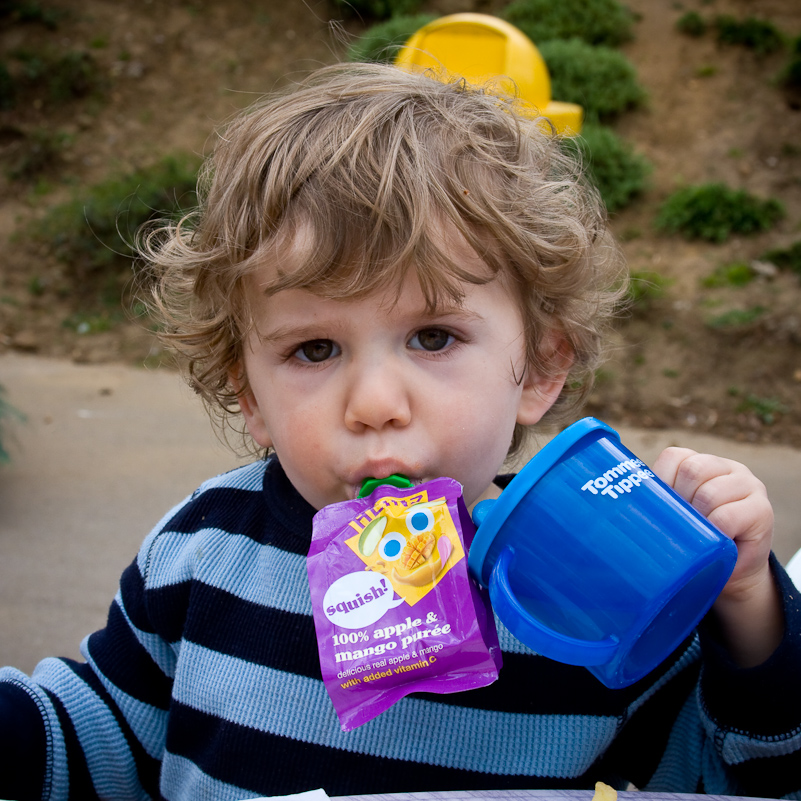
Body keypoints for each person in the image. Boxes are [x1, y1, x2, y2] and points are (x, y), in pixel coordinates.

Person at [1, 62, 799, 801]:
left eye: (432, 337)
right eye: (314, 348)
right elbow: (92, 741)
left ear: (541, 364)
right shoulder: (205, 551)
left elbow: (745, 777)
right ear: (249, 393)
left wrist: (747, 607)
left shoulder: (582, 581)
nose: (376, 401)